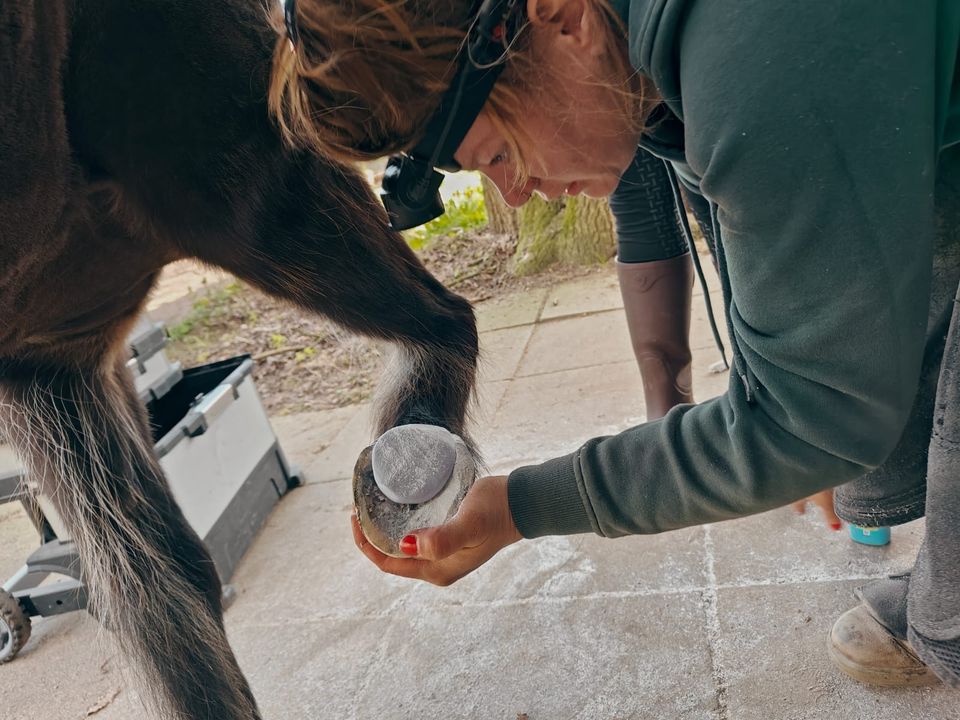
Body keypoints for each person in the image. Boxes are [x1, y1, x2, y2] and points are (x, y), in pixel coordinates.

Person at [272, 0, 960, 687]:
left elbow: (814, 419)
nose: (513, 195)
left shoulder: (764, 46)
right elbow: (774, 284)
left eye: (499, 155)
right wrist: (786, 398)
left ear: (561, 18)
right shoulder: (659, 61)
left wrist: (520, 507)